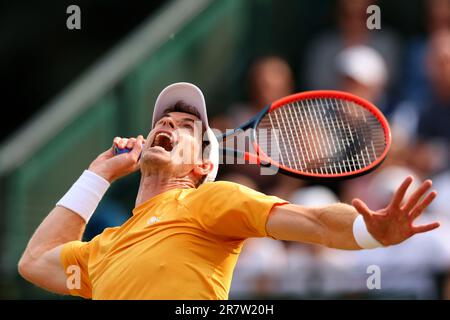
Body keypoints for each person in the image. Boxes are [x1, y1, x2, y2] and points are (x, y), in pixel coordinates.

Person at [18, 83, 440, 300]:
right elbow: (35, 262)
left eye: (187, 127)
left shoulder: (208, 200)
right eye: (163, 121)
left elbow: (311, 221)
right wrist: (97, 174)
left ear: (203, 167)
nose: (167, 124)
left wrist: (370, 232)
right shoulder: (102, 250)